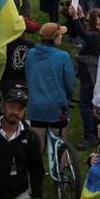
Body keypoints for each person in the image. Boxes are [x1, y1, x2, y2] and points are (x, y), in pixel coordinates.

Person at [25, 21, 76, 155]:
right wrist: (68, 98)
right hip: (57, 107)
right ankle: (62, 173)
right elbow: (70, 83)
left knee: (37, 147)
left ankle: (37, 174)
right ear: (55, 38)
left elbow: (28, 77)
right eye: (60, 35)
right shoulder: (63, 56)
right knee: (61, 143)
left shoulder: (30, 54)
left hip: (35, 106)